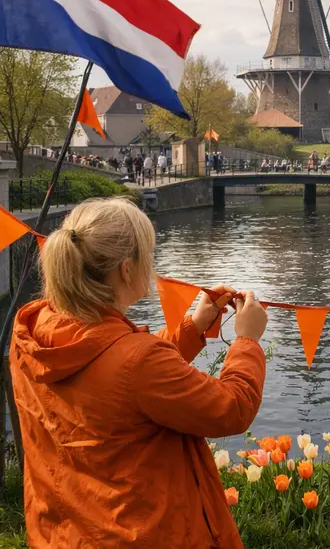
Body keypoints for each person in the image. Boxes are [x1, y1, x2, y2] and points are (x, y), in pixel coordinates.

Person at [10, 198, 268, 547]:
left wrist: (193, 326)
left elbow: (116, 368)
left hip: (64, 529)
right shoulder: (136, 361)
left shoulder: (33, 328)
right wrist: (247, 339)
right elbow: (231, 408)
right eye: (149, 255)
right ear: (127, 270)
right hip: (143, 532)